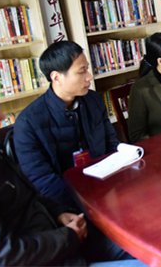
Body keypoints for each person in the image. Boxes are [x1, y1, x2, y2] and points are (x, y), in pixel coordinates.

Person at [0, 74, 145, 267]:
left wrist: (58, 212)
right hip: (51, 256)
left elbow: (29, 195)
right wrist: (68, 237)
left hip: (61, 239)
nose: (2, 117)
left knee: (143, 244)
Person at [13, 41, 119, 209]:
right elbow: (42, 180)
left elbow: (111, 144)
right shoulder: (28, 123)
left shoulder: (94, 100)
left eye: (87, 69)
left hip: (105, 188)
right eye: (81, 71)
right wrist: (85, 205)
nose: (89, 77)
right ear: (56, 77)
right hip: (67, 204)